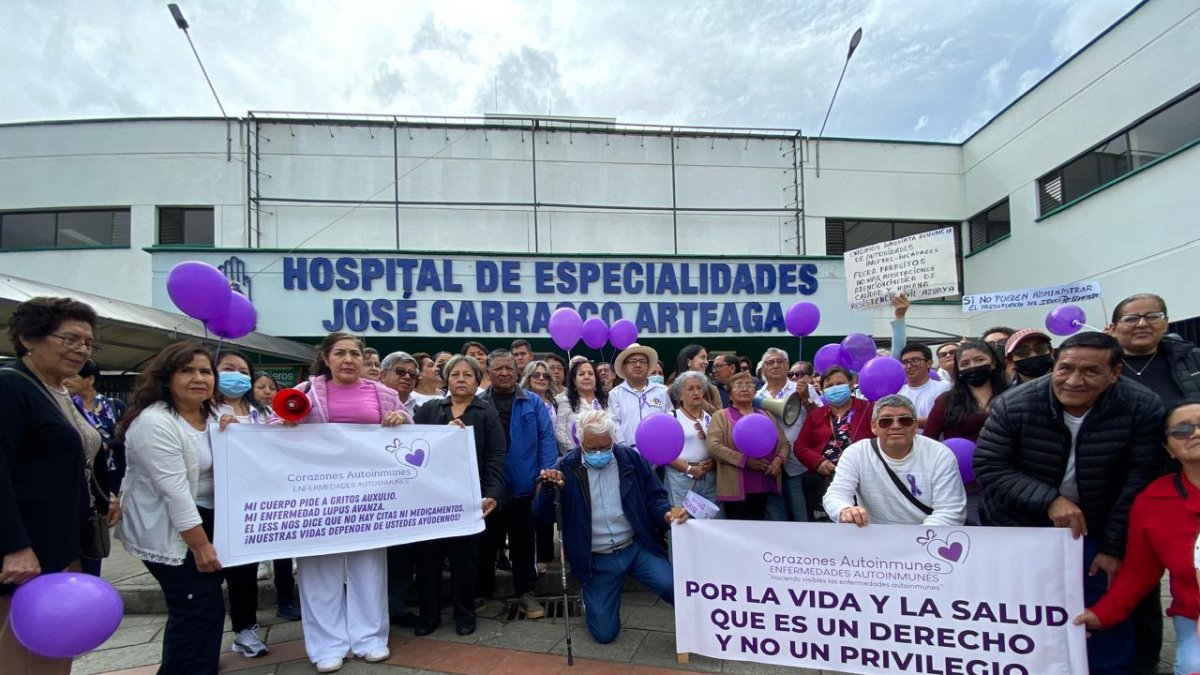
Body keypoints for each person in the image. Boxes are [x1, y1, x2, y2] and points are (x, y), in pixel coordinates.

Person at [974, 331, 1166, 674]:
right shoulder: (1014, 404)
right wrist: (1049, 500)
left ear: (1115, 373)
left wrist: (1114, 546)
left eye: (1091, 371)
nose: (1074, 381)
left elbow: (1139, 480)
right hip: (1025, 524)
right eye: (1066, 369)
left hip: (1102, 524)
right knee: (1028, 616)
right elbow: (990, 466)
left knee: (1103, 611)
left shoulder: (1142, 406)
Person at [277, 332, 411, 673]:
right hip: (318, 499)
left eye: (355, 353)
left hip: (369, 498)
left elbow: (409, 431)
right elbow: (272, 429)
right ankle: (326, 644)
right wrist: (273, 427)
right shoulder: (305, 393)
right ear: (325, 357)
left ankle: (370, 638)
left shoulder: (383, 393)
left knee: (369, 566)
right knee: (320, 570)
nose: (349, 359)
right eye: (340, 353)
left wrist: (401, 421)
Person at [0, 297, 102, 675]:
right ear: (29, 338)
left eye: (89, 343)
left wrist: (101, 496)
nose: (81, 350)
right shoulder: (11, 388)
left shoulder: (58, 392)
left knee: (59, 647)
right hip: (28, 554)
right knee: (24, 653)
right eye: (70, 339)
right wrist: (15, 547)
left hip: (64, 543)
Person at [115, 342, 228, 675]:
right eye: (187, 370)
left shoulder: (217, 414)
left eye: (205, 371)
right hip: (169, 530)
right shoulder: (155, 423)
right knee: (195, 607)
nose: (198, 378)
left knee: (206, 607)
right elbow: (175, 494)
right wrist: (201, 546)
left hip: (207, 518)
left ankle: (199, 666)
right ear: (166, 378)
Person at [534, 410, 686, 644]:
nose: (598, 454)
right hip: (597, 558)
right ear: (580, 441)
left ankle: (699, 623)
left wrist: (665, 513)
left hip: (635, 547)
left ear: (613, 439)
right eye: (591, 448)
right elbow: (540, 516)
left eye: (604, 447)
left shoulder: (630, 459)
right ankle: (591, 598)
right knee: (604, 634)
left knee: (672, 584)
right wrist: (548, 489)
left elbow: (654, 496)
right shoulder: (565, 467)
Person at [1074, 400, 1200, 675]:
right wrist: (1101, 614)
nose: (1196, 433)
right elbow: (1140, 571)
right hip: (1194, 614)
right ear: (1168, 447)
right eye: (1183, 430)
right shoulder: (1154, 500)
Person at [412, 355, 507, 637]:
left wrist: (492, 492)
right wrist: (445, 434)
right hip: (431, 498)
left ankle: (464, 614)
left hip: (468, 497)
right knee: (428, 559)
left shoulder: (486, 413)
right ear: (447, 379)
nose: (461, 379)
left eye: (468, 375)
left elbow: (495, 457)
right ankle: (429, 616)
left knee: (464, 560)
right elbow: (414, 445)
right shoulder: (429, 410)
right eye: (456, 374)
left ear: (477, 381)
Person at [476, 350, 558, 619]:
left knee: (524, 543)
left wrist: (545, 471)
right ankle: (481, 591)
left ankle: (526, 593)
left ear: (517, 371)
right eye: (498, 368)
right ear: (489, 371)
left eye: (509, 368)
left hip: (524, 484)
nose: (504, 373)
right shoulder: (478, 403)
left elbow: (546, 438)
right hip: (490, 487)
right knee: (486, 541)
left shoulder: (533, 402)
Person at [212, 350, 275, 655]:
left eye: (242, 370)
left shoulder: (261, 413)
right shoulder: (204, 410)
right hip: (209, 505)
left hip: (250, 504)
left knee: (244, 573)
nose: (236, 375)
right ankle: (207, 636)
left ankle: (245, 630)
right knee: (208, 577)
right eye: (227, 369)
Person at [824, 394, 967, 527]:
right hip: (874, 538)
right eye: (886, 421)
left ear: (916, 425)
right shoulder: (856, 453)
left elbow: (950, 511)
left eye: (905, 420)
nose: (896, 425)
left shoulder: (940, 455)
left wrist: (914, 541)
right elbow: (836, 494)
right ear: (874, 426)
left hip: (927, 541)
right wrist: (844, 510)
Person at [923, 340, 1008, 525]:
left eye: (979, 360)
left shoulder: (1012, 396)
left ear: (993, 362)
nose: (973, 367)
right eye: (965, 364)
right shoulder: (946, 401)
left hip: (1006, 483)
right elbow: (928, 442)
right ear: (958, 370)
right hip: (963, 486)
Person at [65, 358, 126, 576]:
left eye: (74, 376)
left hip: (111, 472)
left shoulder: (113, 406)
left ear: (90, 379)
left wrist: (106, 445)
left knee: (99, 523)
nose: (68, 380)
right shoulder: (67, 405)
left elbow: (124, 435)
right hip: (82, 476)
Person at [706, 372, 790, 521]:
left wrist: (778, 461)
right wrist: (745, 461)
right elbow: (714, 446)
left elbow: (783, 443)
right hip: (736, 486)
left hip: (766, 482)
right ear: (730, 395)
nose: (744, 388)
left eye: (749, 385)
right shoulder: (721, 416)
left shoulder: (767, 415)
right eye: (738, 385)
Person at [794, 366, 874, 521]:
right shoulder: (816, 415)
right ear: (822, 390)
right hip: (825, 479)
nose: (835, 388)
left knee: (861, 522)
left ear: (851, 384)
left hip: (864, 479)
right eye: (829, 386)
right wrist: (819, 463)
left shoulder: (869, 409)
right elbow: (800, 447)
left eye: (839, 383)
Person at [1107, 293, 1200, 411]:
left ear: (1166, 324)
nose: (1142, 324)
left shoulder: (1194, 359)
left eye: (1153, 317)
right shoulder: (1102, 368)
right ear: (1113, 329)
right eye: (1131, 319)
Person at [758, 348, 819, 523]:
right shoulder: (757, 396)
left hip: (798, 465)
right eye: (770, 362)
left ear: (787, 367)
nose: (776, 365)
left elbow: (820, 419)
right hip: (769, 466)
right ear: (763, 370)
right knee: (775, 517)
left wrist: (806, 398)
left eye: (781, 361)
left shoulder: (802, 389)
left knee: (801, 516)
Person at [521, 360, 560, 574]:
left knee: (546, 505)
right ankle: (531, 556)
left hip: (551, 458)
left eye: (545, 376)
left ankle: (545, 553)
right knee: (530, 510)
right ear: (528, 377)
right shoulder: (522, 401)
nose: (541, 379)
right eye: (536, 375)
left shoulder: (555, 402)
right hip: (529, 460)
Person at [664, 372, 717, 509]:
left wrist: (713, 463)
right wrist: (688, 469)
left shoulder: (712, 418)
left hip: (709, 476)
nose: (696, 392)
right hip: (680, 477)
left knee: (713, 522)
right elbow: (663, 453)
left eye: (699, 388)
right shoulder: (671, 418)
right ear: (680, 395)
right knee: (681, 521)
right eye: (690, 389)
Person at [609, 344, 674, 452]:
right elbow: (614, 424)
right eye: (632, 361)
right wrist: (626, 451)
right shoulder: (615, 394)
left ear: (648, 367)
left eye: (642, 361)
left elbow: (670, 421)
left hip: (659, 452)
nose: (638, 365)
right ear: (624, 367)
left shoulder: (662, 391)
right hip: (628, 455)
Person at [555, 359, 613, 453]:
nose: (587, 377)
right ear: (574, 380)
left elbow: (614, 428)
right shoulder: (565, 402)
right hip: (575, 457)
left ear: (596, 378)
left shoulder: (607, 400)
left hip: (606, 455)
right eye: (581, 374)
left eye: (590, 373)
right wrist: (577, 451)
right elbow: (560, 432)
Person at [897, 343, 951, 430]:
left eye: (915, 360)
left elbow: (947, 420)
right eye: (905, 362)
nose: (909, 366)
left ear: (929, 363)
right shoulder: (897, 393)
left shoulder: (945, 389)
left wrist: (908, 421)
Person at [670, 345, 721, 412]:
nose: (706, 362)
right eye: (703, 358)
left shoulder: (712, 389)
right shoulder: (671, 390)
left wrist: (699, 399)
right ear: (689, 362)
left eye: (706, 358)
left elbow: (720, 417)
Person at [381, 351, 433, 417]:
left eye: (412, 374)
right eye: (400, 371)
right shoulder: (371, 404)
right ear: (383, 375)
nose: (407, 377)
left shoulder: (421, 412)